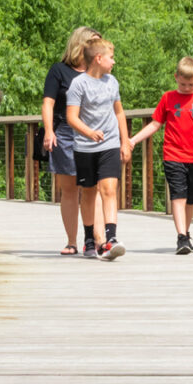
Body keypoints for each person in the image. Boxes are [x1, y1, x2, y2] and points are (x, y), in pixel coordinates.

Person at [125, 56, 193, 255]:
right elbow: (155, 124)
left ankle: (185, 234)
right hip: (173, 154)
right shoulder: (168, 98)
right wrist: (134, 140)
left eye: (191, 84)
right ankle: (181, 237)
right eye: (182, 84)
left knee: (191, 199)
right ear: (176, 77)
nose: (187, 87)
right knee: (178, 195)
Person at [63, 38, 128, 260]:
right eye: (111, 57)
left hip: (109, 143)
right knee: (89, 192)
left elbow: (119, 112)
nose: (114, 61)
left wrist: (125, 140)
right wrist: (89, 132)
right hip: (85, 146)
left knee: (110, 189)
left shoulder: (112, 82)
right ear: (98, 59)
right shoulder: (78, 84)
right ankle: (89, 238)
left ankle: (111, 239)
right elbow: (71, 117)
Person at [40, 26, 101, 256]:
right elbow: (48, 103)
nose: (99, 49)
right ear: (81, 44)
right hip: (65, 133)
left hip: (93, 132)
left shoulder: (99, 71)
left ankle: (97, 239)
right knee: (69, 189)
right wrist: (48, 131)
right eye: (94, 43)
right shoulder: (59, 70)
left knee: (93, 187)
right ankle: (72, 241)